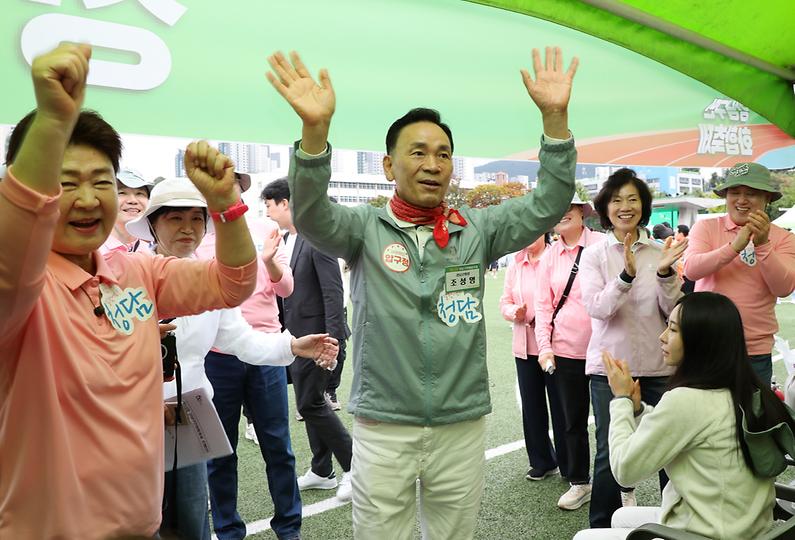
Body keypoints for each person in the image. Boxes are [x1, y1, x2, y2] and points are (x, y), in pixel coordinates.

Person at [266, 46, 578, 538]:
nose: (433, 163)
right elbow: (310, 213)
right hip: (383, 423)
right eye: (418, 152)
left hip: (461, 421)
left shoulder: (477, 228)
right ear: (389, 166)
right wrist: (314, 135)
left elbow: (548, 202)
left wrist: (556, 121)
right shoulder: (363, 228)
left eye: (443, 153)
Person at [0, 44, 259, 538]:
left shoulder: (138, 273)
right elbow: (12, 247)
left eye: (101, 181)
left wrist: (226, 205)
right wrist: (54, 122)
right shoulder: (20, 295)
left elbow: (233, 282)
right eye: (64, 182)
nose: (86, 197)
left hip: (141, 524)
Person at [124, 177, 337, 539]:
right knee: (138, 520)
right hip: (133, 420)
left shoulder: (208, 278)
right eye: (175, 219)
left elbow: (240, 338)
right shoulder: (125, 275)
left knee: (191, 519)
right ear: (152, 224)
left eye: (196, 219)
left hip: (187, 412)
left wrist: (291, 346)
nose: (188, 229)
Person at [573, 292, 795, 539]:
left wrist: (622, 401)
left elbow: (625, 470)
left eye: (673, 329)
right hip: (744, 525)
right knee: (619, 517)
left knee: (584, 537)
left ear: (701, 340)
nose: (662, 336)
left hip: (709, 532)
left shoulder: (688, 399)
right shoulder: (749, 390)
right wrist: (638, 410)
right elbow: (683, 426)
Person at [579, 168, 686, 528]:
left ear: (644, 206)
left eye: (633, 199)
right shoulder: (594, 255)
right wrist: (625, 277)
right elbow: (597, 308)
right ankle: (602, 528)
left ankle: (675, 526)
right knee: (611, 454)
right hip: (611, 369)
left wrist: (667, 274)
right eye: (616, 200)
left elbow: (673, 311)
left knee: (670, 450)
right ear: (605, 207)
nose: (625, 207)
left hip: (660, 367)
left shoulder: (660, 252)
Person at [197, 213, 305, 540]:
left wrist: (270, 262)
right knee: (220, 450)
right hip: (218, 355)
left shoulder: (265, 230)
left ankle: (289, 528)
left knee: (278, 446)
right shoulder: (199, 235)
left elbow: (286, 288)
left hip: (267, 350)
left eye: (233, 186)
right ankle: (228, 530)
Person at [262, 178, 353, 502]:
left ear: (285, 203)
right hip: (298, 339)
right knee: (311, 402)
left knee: (310, 404)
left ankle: (355, 467)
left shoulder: (316, 239)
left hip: (318, 339)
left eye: (270, 206)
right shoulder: (290, 239)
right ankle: (322, 470)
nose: (269, 213)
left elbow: (333, 291)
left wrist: (332, 343)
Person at [684, 162, 795, 386]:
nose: (741, 200)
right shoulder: (706, 228)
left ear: (767, 199)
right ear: (725, 196)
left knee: (751, 417)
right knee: (704, 417)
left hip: (754, 350)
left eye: (751, 194)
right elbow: (692, 270)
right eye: (734, 193)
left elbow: (783, 287)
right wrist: (734, 247)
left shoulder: (784, 238)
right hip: (705, 343)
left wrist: (763, 245)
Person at [535, 194, 604, 510]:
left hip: (606, 349)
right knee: (571, 421)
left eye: (569, 208)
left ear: (582, 213)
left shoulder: (602, 244)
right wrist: (545, 347)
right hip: (565, 351)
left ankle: (619, 484)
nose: (563, 214)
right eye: (558, 209)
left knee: (611, 421)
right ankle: (580, 482)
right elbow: (543, 305)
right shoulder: (550, 255)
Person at [500, 235, 568, 486]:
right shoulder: (516, 263)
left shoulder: (556, 258)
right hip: (525, 346)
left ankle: (570, 464)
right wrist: (513, 312)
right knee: (532, 406)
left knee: (561, 406)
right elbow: (505, 300)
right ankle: (542, 461)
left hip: (555, 345)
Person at [101, 167, 153, 253]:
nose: (133, 201)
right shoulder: (92, 252)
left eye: (139, 193)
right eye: (122, 193)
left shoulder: (150, 251)